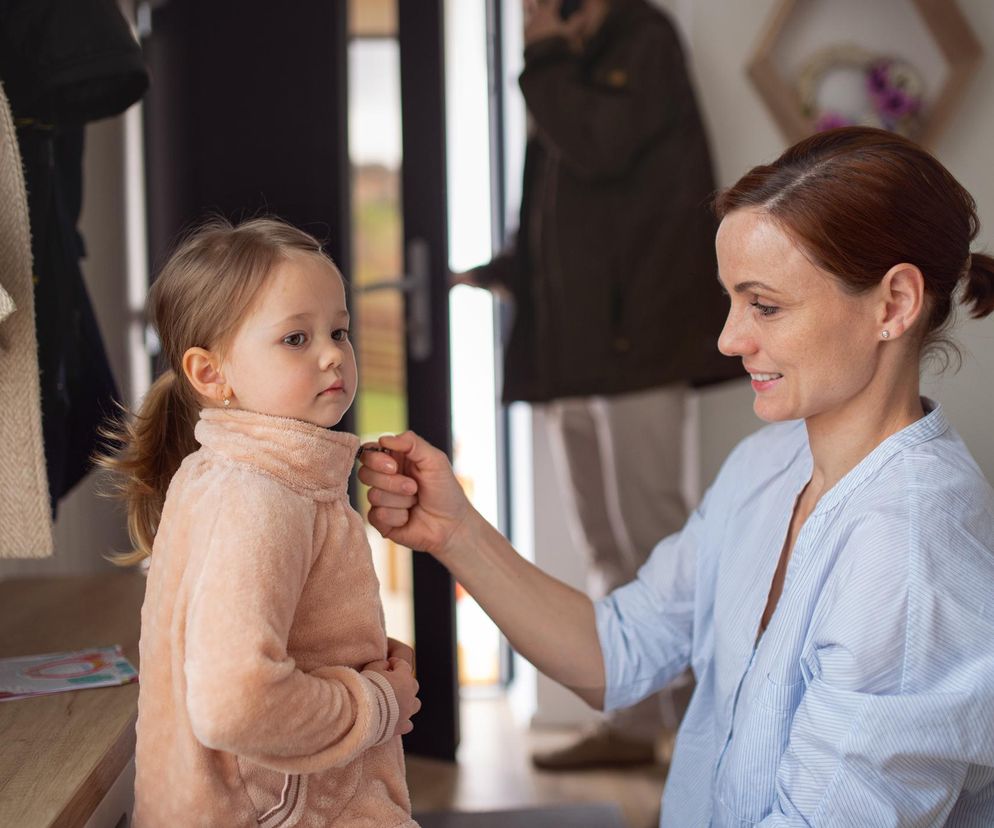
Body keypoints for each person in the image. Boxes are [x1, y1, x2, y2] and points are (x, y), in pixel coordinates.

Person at [361, 127, 994, 825]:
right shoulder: (768, 463)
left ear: (894, 304)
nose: (729, 339)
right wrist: (456, 533)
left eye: (767, 306)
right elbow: (617, 654)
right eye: (730, 300)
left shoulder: (911, 559)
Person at [453, 0, 738, 769]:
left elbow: (599, 146)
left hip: (636, 344)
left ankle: (709, 740)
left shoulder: (640, 39)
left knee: (659, 545)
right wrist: (508, 270)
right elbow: (565, 199)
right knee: (608, 547)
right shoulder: (570, 62)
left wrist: (542, 55)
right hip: (573, 351)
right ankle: (640, 727)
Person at [101, 218, 421, 827]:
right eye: (295, 339)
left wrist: (374, 660)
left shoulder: (248, 478)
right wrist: (376, 704)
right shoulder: (260, 498)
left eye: (339, 331)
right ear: (211, 374)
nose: (333, 354)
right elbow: (235, 702)